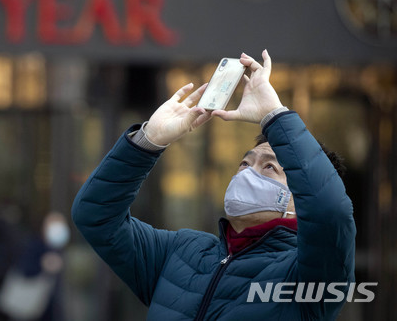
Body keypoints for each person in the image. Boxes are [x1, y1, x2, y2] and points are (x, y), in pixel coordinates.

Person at [72, 50, 356, 320]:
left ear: (299, 199)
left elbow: (331, 212)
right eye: (245, 163)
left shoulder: (307, 277)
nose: (247, 173)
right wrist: (148, 142)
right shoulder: (181, 252)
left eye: (269, 167)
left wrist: (274, 116)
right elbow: (95, 215)